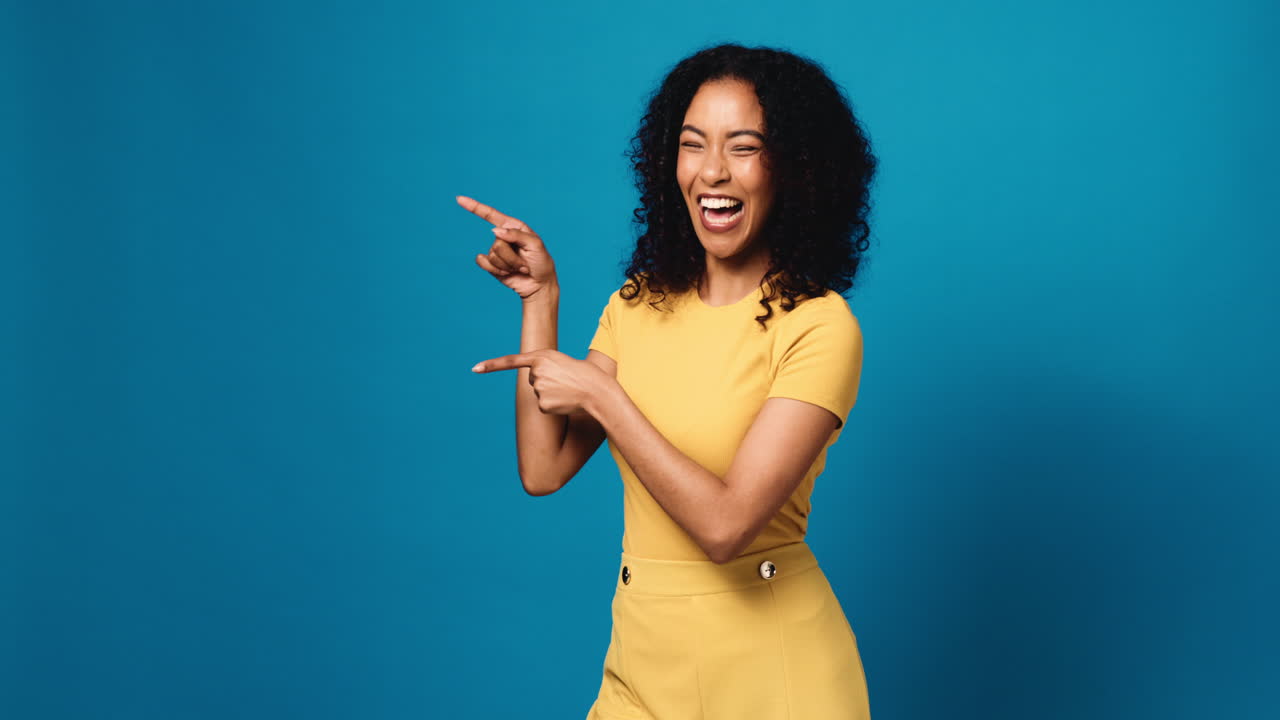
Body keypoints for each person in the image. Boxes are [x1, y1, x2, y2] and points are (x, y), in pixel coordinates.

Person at [460, 42, 877, 720]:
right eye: (693, 144)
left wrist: (604, 397)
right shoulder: (638, 303)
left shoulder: (821, 328)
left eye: (744, 147)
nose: (713, 171)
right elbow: (543, 468)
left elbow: (724, 527)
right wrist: (540, 303)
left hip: (776, 679)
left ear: (793, 168)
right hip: (643, 669)